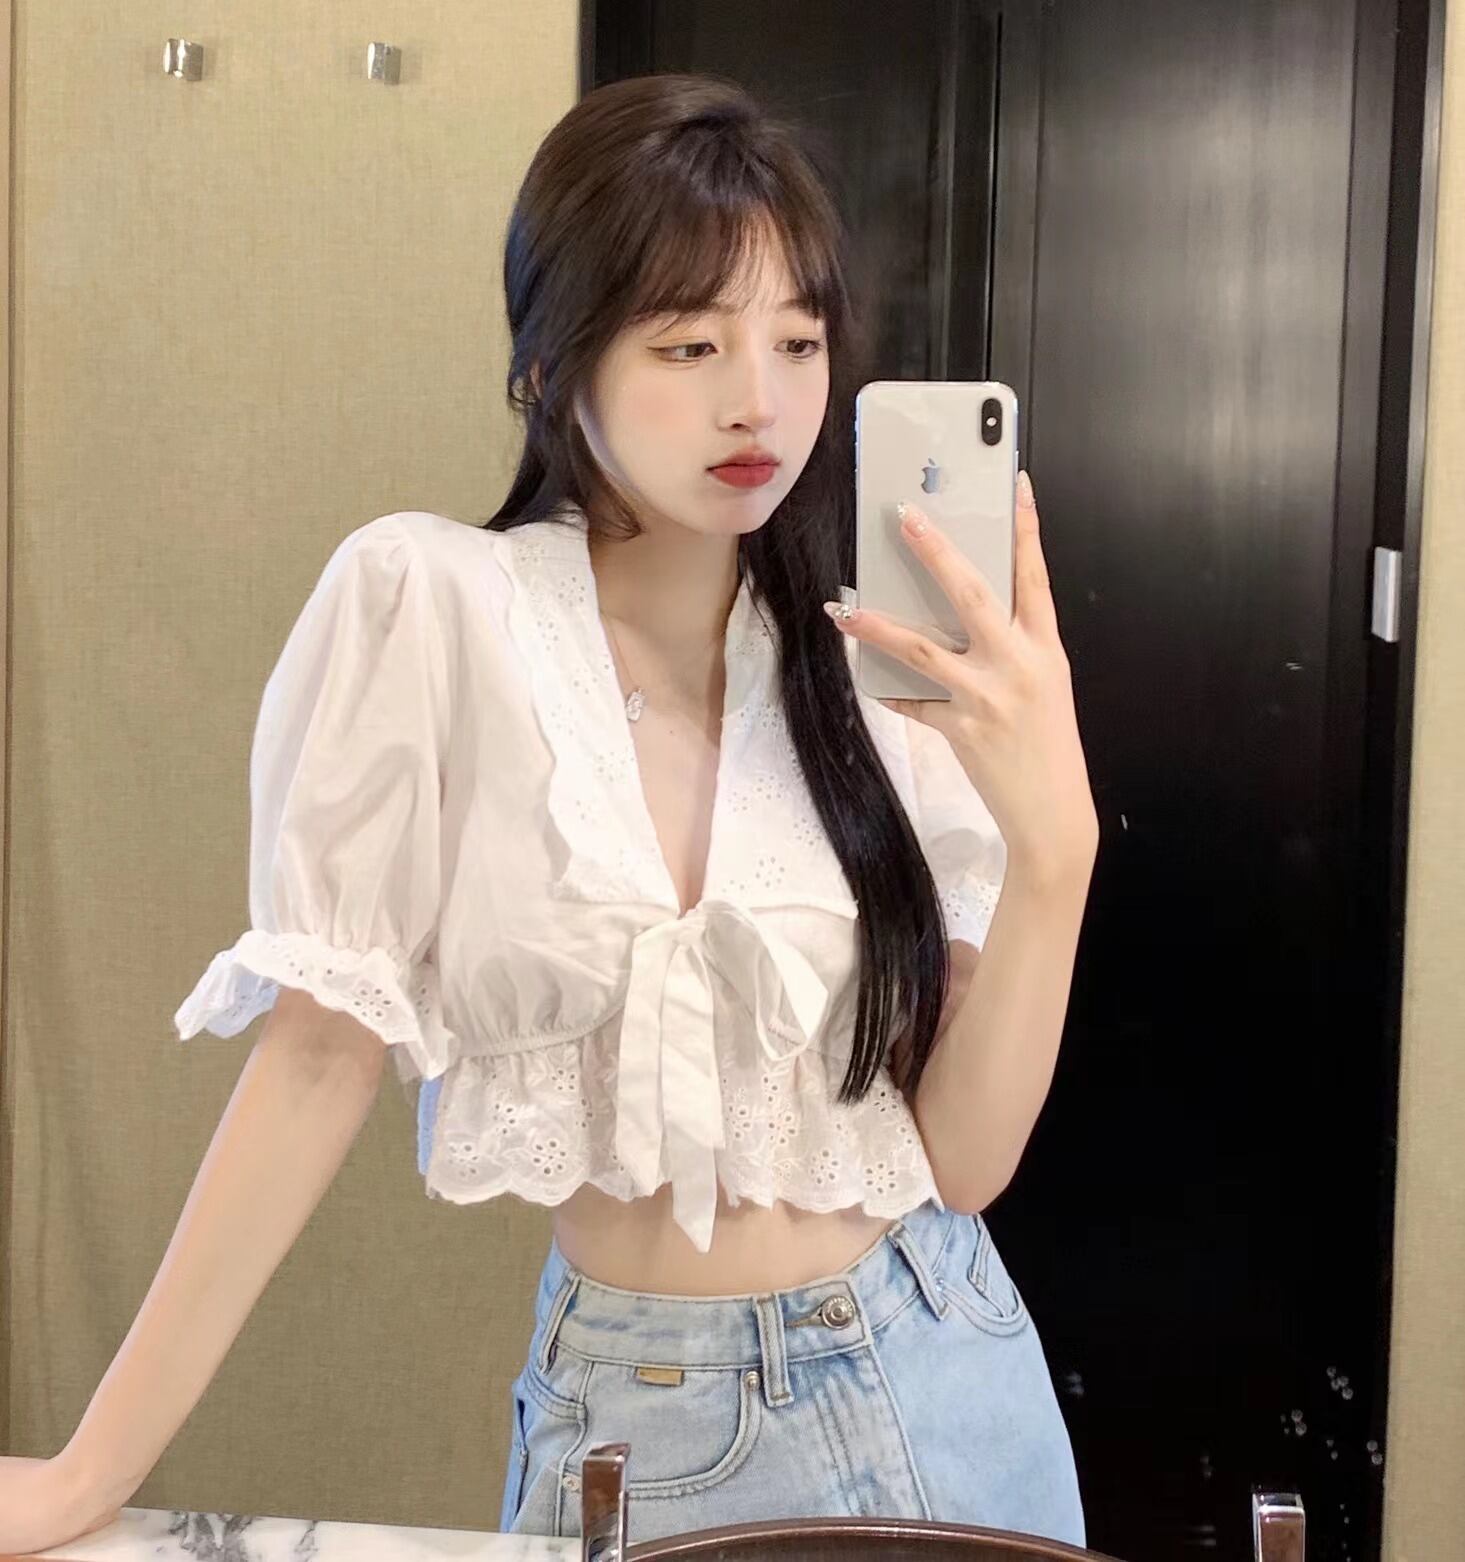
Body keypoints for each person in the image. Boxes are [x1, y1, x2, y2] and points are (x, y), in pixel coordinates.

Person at [0, 73, 1099, 1556]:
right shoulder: (433, 608)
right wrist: (89, 1471)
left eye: (796, 341)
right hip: (646, 1414)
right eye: (689, 343)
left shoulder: (873, 677)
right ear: (549, 363)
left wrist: (1055, 849)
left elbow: (962, 1160)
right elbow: (316, 1057)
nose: (757, 401)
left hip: (950, 1369)